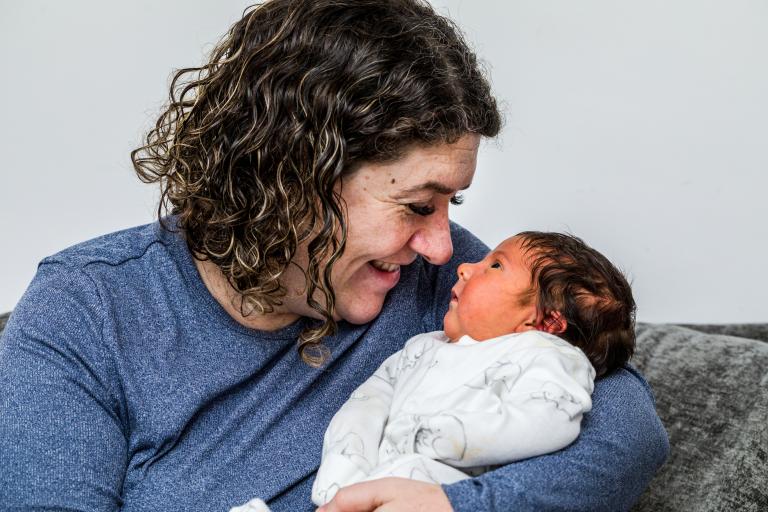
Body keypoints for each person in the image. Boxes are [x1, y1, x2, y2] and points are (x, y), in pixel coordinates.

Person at [0, 1, 668, 511]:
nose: (444, 247)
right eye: (415, 205)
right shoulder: (88, 313)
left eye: (450, 207)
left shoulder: (444, 288)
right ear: (290, 180)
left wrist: (459, 505)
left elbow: (627, 429)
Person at [232, 231, 636, 512]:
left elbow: (548, 419)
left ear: (543, 322)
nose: (464, 266)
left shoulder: (545, 356)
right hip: (374, 478)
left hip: (443, 480)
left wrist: (453, 438)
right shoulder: (424, 347)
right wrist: (345, 460)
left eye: (494, 266)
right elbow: (369, 401)